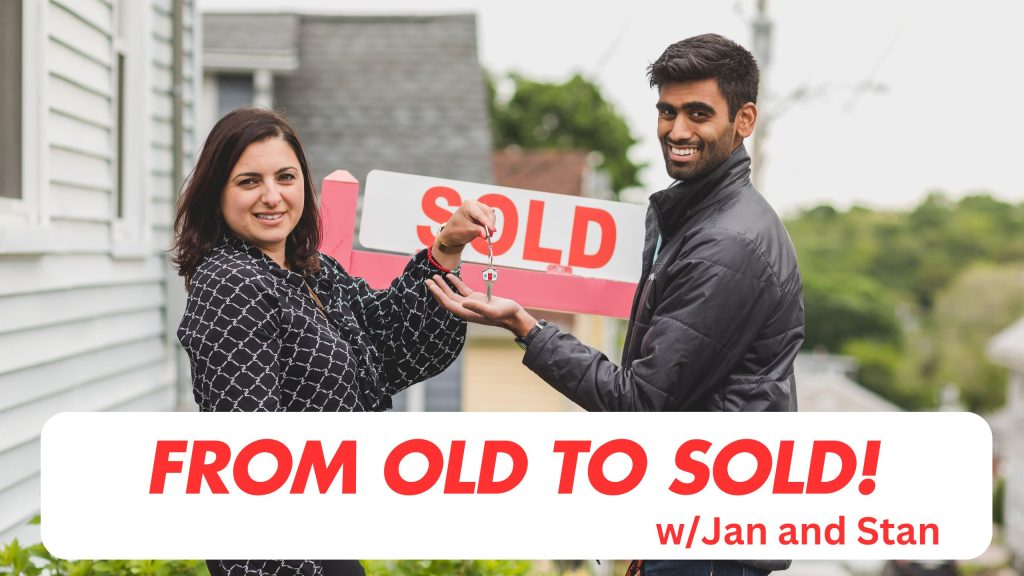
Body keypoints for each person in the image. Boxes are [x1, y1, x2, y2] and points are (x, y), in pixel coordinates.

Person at [426, 33, 803, 576]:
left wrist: (525, 326)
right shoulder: (701, 222)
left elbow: (641, 405)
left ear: (744, 120)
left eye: (699, 113)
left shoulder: (727, 244)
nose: (677, 131)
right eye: (667, 112)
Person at [172, 107, 495, 576]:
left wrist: (445, 246)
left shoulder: (313, 271)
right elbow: (247, 456)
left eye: (285, 177)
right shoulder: (231, 283)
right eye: (248, 181)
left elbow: (390, 339)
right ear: (216, 193)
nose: (272, 196)